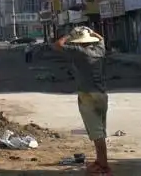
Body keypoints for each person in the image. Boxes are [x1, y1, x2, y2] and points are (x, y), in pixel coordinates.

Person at [55, 26, 112, 175]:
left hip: (88, 95)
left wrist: (68, 35)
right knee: (100, 129)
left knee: (96, 133)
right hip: (102, 94)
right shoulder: (99, 50)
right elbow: (101, 39)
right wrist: (91, 32)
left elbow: (58, 45)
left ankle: (104, 166)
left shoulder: (80, 52)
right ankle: (100, 161)